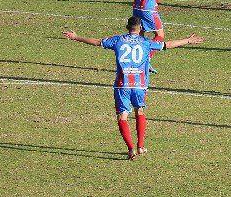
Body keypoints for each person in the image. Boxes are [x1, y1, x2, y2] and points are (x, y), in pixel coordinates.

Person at [61, 17, 203, 160]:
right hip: (139, 85)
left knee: (122, 116)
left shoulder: (118, 40)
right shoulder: (146, 42)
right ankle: (140, 146)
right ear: (140, 28)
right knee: (139, 111)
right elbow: (167, 45)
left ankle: (131, 149)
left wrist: (76, 37)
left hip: (123, 85)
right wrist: (187, 40)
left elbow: (97, 42)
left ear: (127, 27)